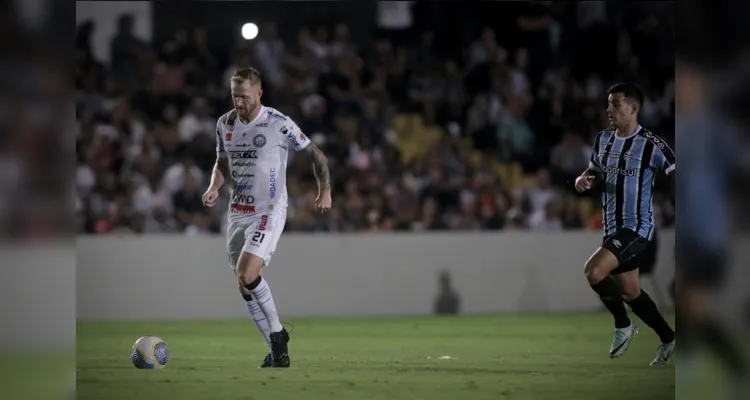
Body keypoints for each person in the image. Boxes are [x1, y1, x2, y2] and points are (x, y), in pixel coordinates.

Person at [202, 68, 332, 368]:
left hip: (269, 210)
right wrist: (213, 187)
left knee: (248, 273)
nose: (239, 102)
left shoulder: (278, 122)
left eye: (245, 96)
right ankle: (278, 354)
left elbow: (316, 154)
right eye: (235, 96)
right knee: (243, 284)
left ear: (259, 93)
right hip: (238, 212)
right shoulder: (225, 123)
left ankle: (277, 334)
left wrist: (324, 189)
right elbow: (222, 161)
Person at [574, 83, 676, 365]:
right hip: (612, 227)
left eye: (616, 103)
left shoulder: (652, 144)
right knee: (630, 292)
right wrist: (581, 180)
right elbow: (592, 171)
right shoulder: (603, 140)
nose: (609, 109)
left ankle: (623, 325)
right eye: (608, 103)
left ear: (633, 108)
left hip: (637, 227)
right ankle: (669, 338)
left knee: (594, 271)